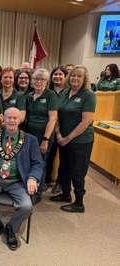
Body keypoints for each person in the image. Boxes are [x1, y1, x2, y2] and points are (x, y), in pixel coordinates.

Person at [0, 107, 43, 251]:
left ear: (19, 120)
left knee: (26, 206)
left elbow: (38, 163)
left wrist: (32, 178)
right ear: (3, 119)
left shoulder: (30, 140)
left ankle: (11, 227)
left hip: (17, 181)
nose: (11, 120)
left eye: (14, 118)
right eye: (8, 117)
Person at [50, 66, 96, 213]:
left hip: (80, 141)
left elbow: (86, 121)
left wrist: (68, 138)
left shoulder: (88, 95)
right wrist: (58, 135)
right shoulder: (64, 92)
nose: (75, 78)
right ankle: (65, 194)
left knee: (77, 171)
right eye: (73, 76)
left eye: (79, 76)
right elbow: (57, 115)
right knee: (64, 168)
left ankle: (79, 203)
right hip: (63, 138)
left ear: (84, 79)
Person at [24, 68, 58, 202]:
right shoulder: (29, 96)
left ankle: (37, 194)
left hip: (43, 137)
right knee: (29, 163)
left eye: (42, 79)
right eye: (36, 79)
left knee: (40, 164)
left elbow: (53, 118)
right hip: (29, 136)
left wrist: (45, 139)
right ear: (32, 81)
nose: (39, 82)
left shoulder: (51, 95)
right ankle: (30, 188)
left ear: (47, 81)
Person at [46, 66, 68, 194]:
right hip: (51, 129)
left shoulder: (68, 92)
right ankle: (47, 180)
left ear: (65, 77)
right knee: (50, 156)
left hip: (64, 130)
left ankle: (60, 183)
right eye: (55, 74)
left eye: (60, 74)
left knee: (64, 159)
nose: (57, 77)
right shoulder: (48, 91)